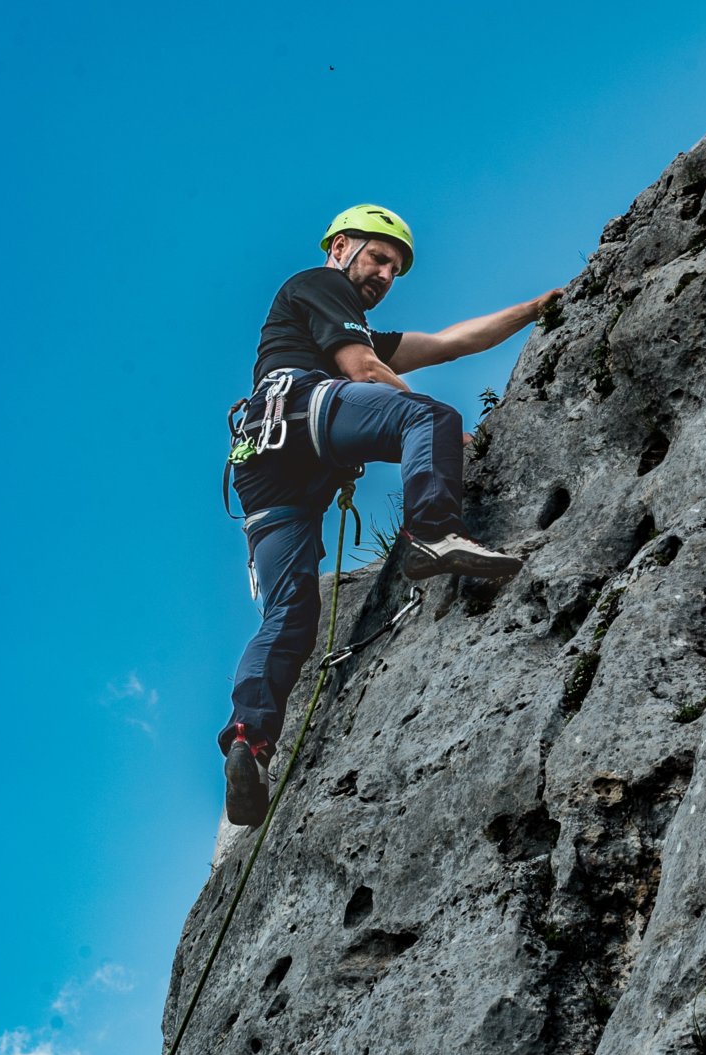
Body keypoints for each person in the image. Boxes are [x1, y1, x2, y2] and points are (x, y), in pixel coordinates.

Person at [219, 204, 556, 825]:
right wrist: (447, 435)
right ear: (340, 246)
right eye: (378, 257)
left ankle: (250, 741)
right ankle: (435, 532)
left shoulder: (341, 324)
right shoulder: (320, 285)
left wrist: (535, 308)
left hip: (263, 463)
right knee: (428, 416)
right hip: (301, 413)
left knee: (289, 615)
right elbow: (363, 371)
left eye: (395, 269)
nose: (384, 275)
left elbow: (452, 343)